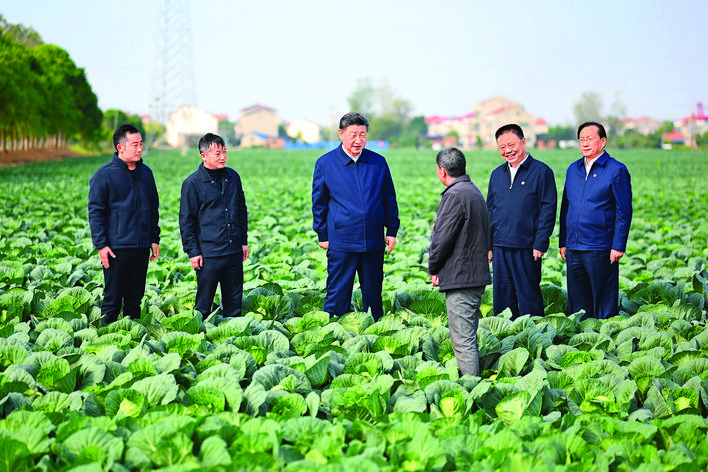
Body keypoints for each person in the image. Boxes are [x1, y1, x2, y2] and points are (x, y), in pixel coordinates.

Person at [311, 112, 399, 320]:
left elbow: (389, 199)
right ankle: (335, 334)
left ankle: (374, 332)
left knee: (373, 297)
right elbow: (319, 203)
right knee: (337, 297)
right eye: (353, 135)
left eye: (362, 134)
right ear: (341, 134)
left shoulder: (378, 162)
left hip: (373, 240)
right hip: (342, 241)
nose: (358, 140)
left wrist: (392, 230)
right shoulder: (326, 163)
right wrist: (322, 234)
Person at [559, 121, 632, 319]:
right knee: (577, 299)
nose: (584, 143)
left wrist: (618, 246)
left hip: (600, 245)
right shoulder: (573, 169)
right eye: (581, 139)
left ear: (603, 141)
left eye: (589, 139)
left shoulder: (616, 170)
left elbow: (624, 211)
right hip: (574, 246)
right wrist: (563, 241)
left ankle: (606, 335)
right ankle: (581, 336)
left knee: (603, 299)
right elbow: (566, 207)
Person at [88, 124, 160, 324]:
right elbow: (96, 212)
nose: (139, 149)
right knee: (112, 300)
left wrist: (154, 238)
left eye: (141, 144)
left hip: (141, 247)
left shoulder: (146, 173)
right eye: (134, 144)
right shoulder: (104, 175)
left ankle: (132, 341)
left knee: (134, 300)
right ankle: (105, 338)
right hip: (116, 248)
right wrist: (101, 245)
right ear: (121, 147)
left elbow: (153, 207)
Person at [429, 147, 491, 377]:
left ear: (441, 171)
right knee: (468, 337)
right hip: (474, 275)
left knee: (462, 341)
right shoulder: (473, 191)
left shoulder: (454, 195)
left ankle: (471, 391)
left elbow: (441, 238)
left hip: (461, 278)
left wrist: (434, 268)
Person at [486, 124, 557, 318]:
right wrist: (489, 245)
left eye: (511, 145)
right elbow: (490, 211)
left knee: (528, 296)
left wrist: (540, 242)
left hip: (527, 246)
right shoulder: (497, 174)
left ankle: (533, 336)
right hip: (500, 245)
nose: (507, 151)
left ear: (523, 142)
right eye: (502, 147)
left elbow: (548, 210)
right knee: (502, 296)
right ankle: (506, 337)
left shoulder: (542, 172)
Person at [179, 133, 249, 319]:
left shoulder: (233, 177)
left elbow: (241, 210)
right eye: (217, 153)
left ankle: (233, 337)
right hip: (209, 253)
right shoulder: (192, 183)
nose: (223, 156)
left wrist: (243, 241)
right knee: (203, 303)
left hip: (233, 250)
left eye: (225, 152)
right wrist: (193, 252)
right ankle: (200, 339)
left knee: (234, 303)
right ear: (204, 156)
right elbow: (186, 220)